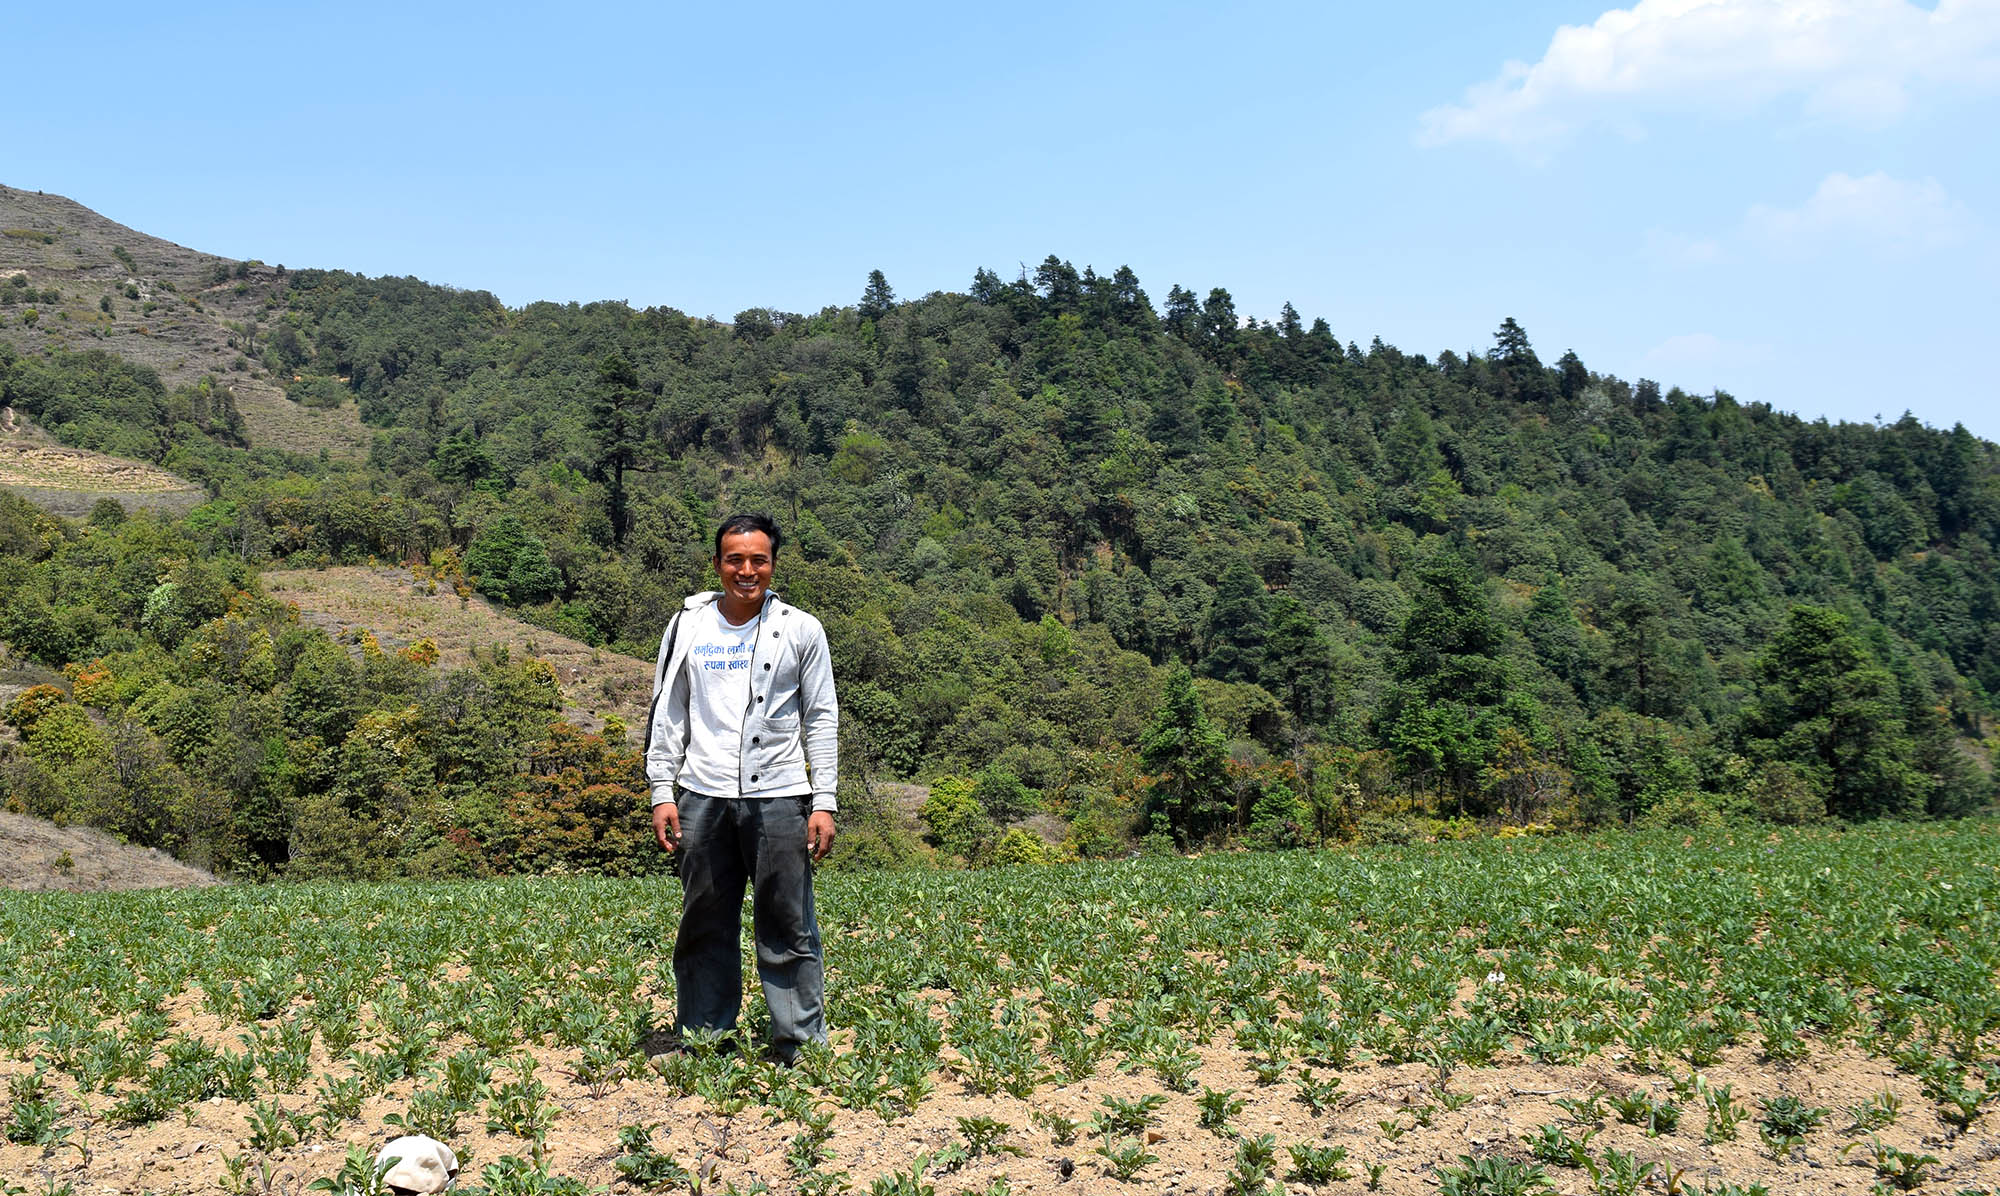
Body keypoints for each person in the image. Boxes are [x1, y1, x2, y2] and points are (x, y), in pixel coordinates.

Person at [645, 513, 838, 1062]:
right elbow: (669, 711)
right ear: (718, 564)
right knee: (704, 918)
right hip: (700, 793)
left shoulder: (802, 629)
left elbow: (821, 718)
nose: (746, 570)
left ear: (773, 565)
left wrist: (822, 800)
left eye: (758, 560)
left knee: (787, 921)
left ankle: (798, 1044)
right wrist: (662, 789)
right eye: (735, 559)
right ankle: (706, 1038)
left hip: (778, 794)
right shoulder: (688, 626)